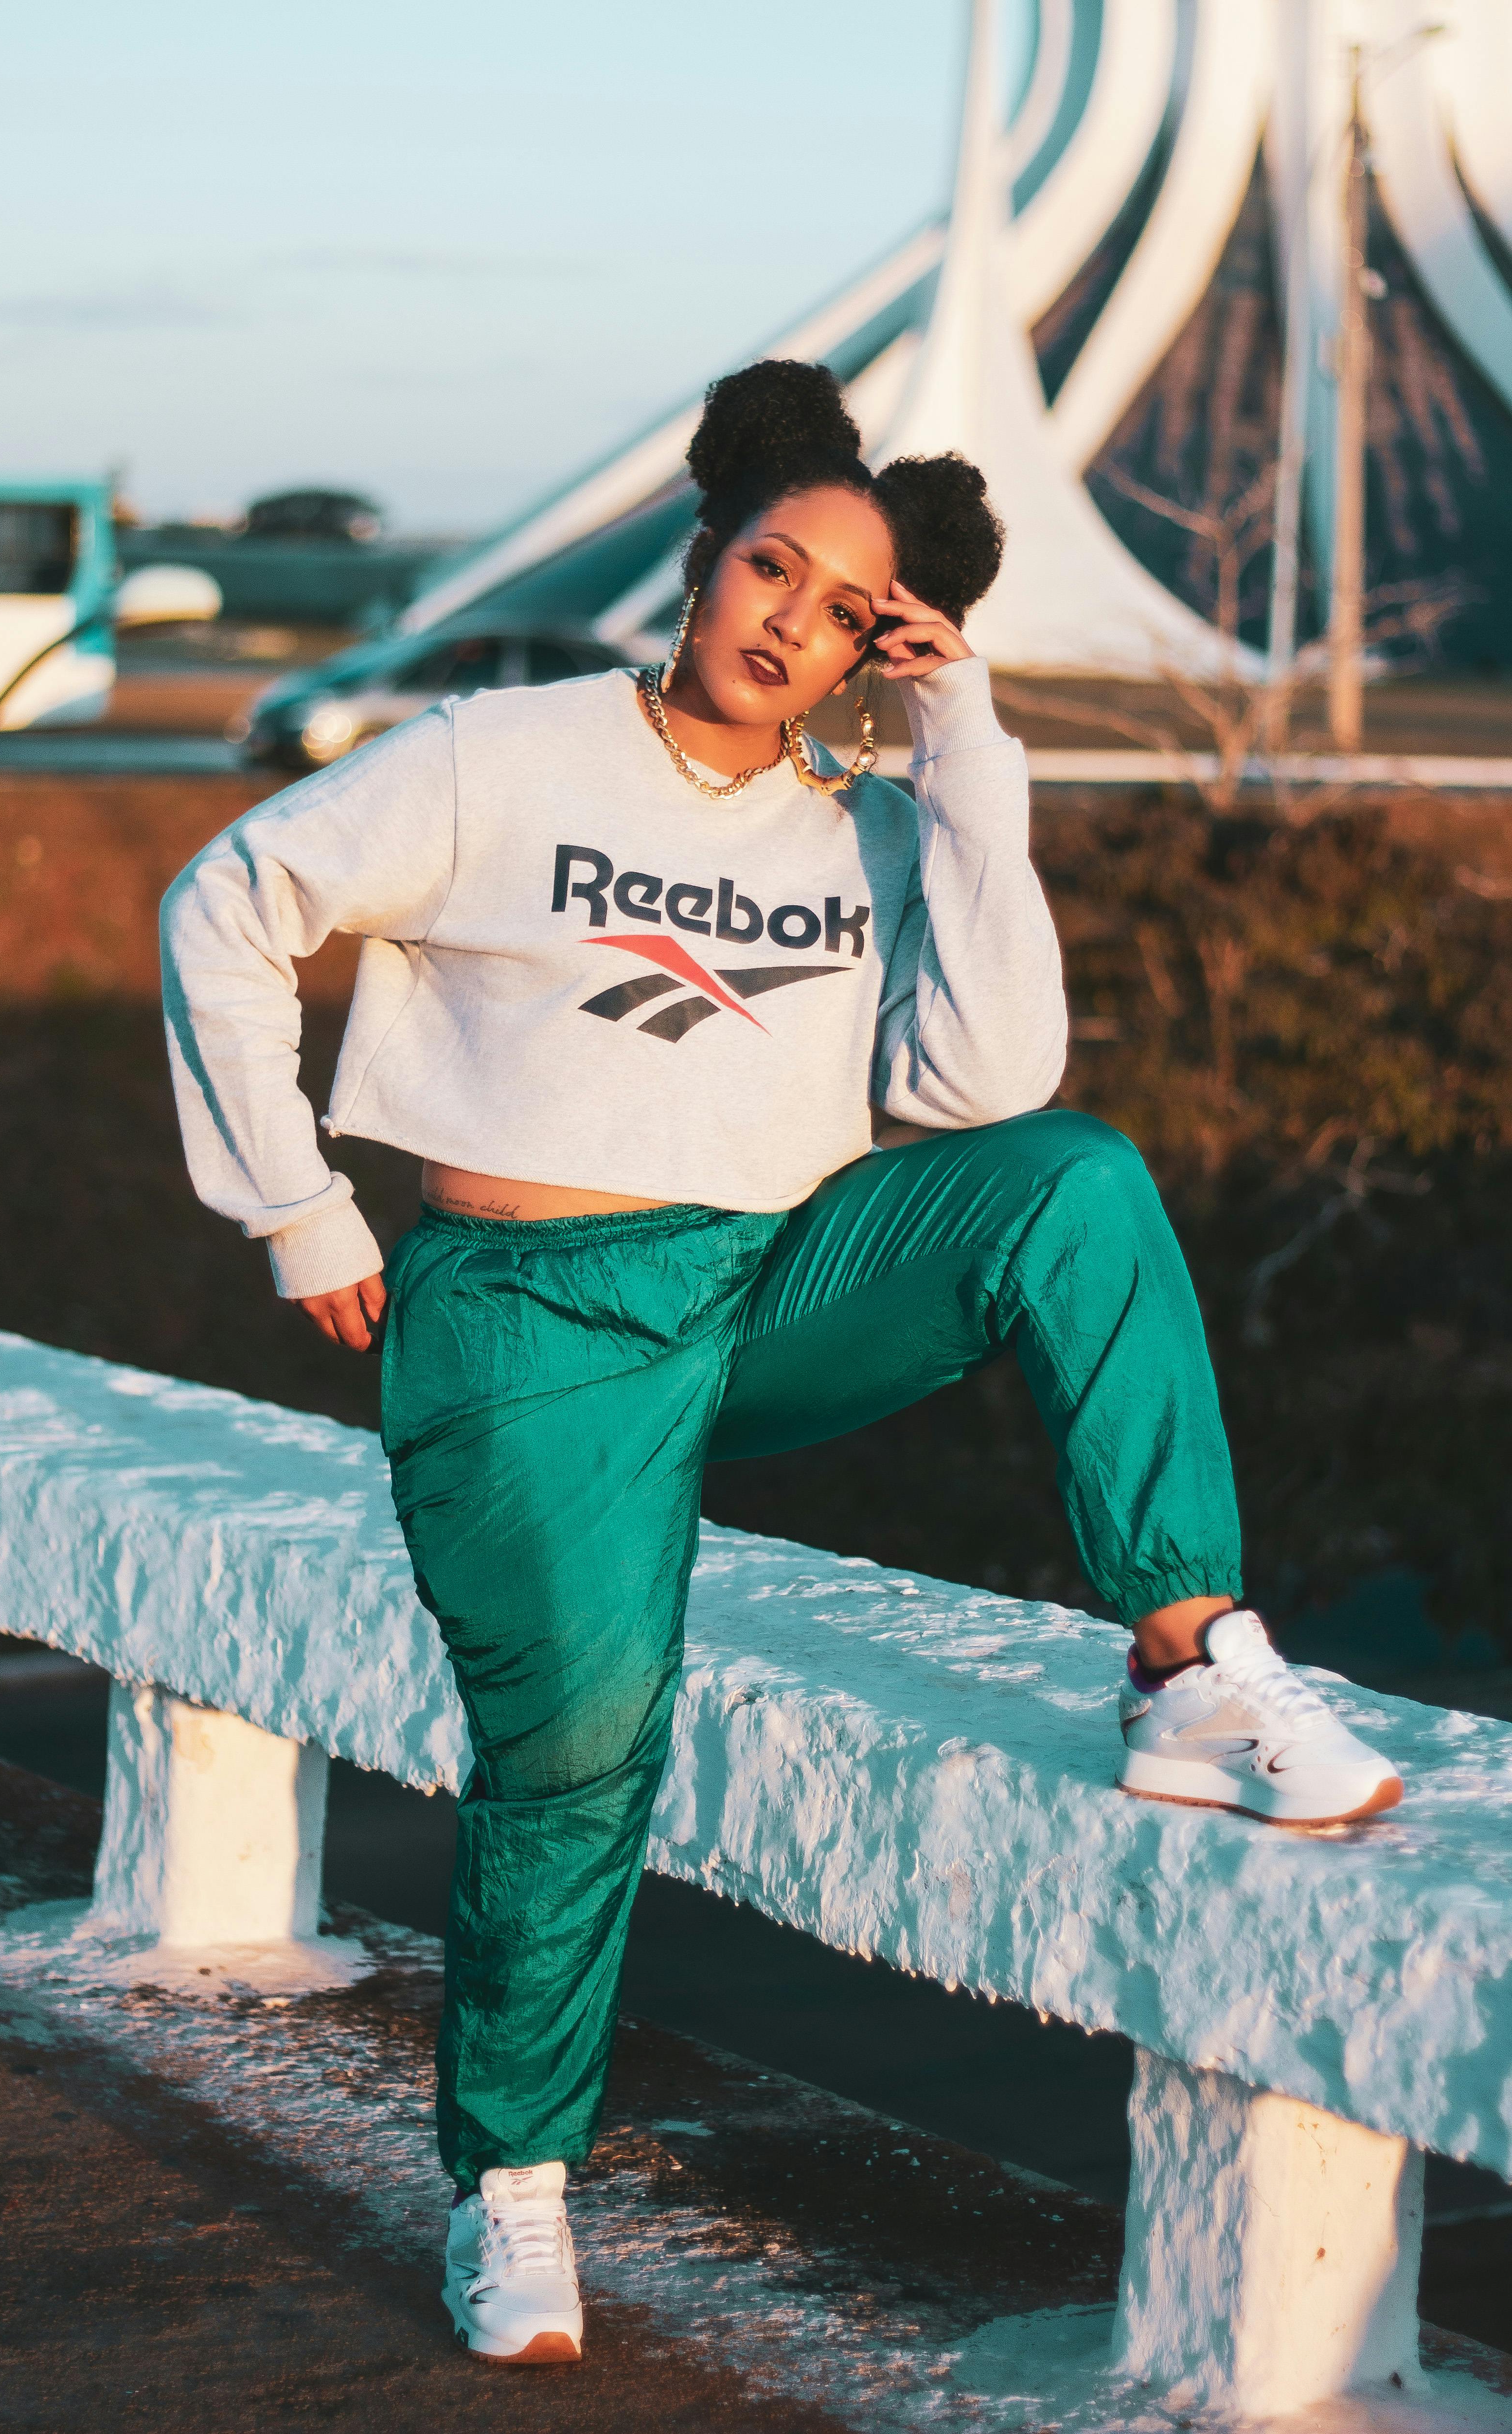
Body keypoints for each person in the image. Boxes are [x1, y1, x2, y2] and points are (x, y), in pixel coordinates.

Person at [160, 361, 1402, 2370]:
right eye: (772, 566)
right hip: (529, 1327)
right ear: (706, 548)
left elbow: (987, 1080)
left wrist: (963, 730)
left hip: (767, 1291)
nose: (789, 620)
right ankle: (517, 2185)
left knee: (1070, 1185)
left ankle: (1190, 1660)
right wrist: (295, 1204)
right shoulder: (504, 752)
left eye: (844, 607)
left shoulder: (876, 820)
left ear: (871, 646)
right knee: (576, 1752)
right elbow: (229, 900)